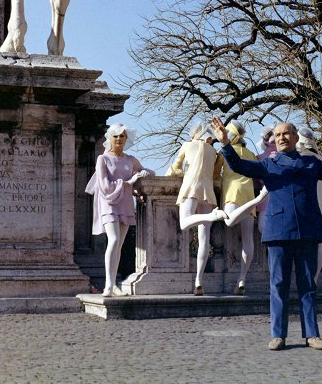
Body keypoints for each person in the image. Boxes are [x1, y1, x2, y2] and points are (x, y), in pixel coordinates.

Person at [211, 116, 322, 351]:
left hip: (308, 231)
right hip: (278, 232)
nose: (281, 137)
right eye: (277, 135)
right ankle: (278, 334)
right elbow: (239, 166)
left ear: (296, 137)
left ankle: (312, 335)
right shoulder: (267, 165)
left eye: (286, 133)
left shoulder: (311, 163)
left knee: (308, 286)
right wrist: (225, 144)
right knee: (278, 284)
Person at [85, 123, 155, 297]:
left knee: (119, 245)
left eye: (122, 136)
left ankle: (114, 284)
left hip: (125, 202)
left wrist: (143, 173)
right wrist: (127, 183)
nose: (119, 139)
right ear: (110, 138)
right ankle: (108, 285)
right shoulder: (103, 159)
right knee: (114, 240)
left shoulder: (130, 159)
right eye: (115, 136)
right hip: (108, 202)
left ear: (126, 138)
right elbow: (103, 185)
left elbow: (148, 171)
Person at [166, 122, 227, 295]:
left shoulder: (187, 145)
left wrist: (181, 173)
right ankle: (199, 281)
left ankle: (212, 216)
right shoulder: (213, 151)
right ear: (208, 137)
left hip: (191, 187)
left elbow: (176, 168)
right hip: (208, 190)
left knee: (185, 223)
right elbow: (216, 174)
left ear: (194, 135)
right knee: (204, 239)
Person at [216, 121, 259, 295]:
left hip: (232, 194)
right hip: (249, 196)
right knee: (248, 238)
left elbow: (214, 172)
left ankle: (241, 279)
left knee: (228, 222)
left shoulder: (224, 152)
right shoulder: (250, 153)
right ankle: (242, 277)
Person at [296, 126, 322, 285]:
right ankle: (315, 279)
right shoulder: (321, 158)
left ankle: (304, 280)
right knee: (318, 246)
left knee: (302, 245)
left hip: (305, 203)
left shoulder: (297, 158)